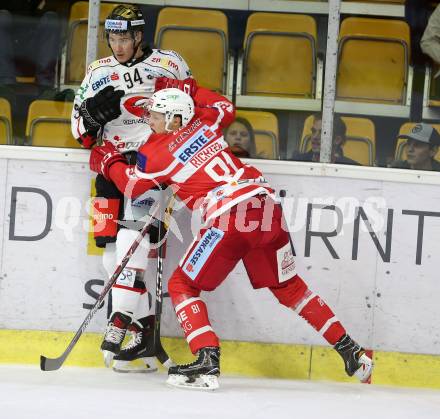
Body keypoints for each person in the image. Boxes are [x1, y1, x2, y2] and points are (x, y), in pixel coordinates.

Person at [88, 83, 374, 390]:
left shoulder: (156, 152)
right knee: (289, 287)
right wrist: (190, 88)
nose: (149, 120)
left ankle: (206, 362)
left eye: (156, 115)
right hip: (266, 211)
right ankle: (352, 352)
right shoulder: (205, 123)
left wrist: (105, 159)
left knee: (182, 285)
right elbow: (225, 107)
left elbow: (132, 186)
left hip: (230, 217)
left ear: (173, 119)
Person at [70, 3, 194, 371]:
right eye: (112, 37)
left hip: (150, 169)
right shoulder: (97, 71)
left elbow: (189, 112)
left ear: (140, 36)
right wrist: (93, 116)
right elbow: (79, 130)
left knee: (135, 251)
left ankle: (124, 324)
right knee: (111, 253)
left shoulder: (170, 64)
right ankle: (145, 330)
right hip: (109, 169)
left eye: (124, 37)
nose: (118, 44)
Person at [292, 114, 360, 165]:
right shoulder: (296, 162)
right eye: (313, 131)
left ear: (337, 140)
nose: (315, 137)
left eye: (323, 133)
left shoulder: (352, 169)